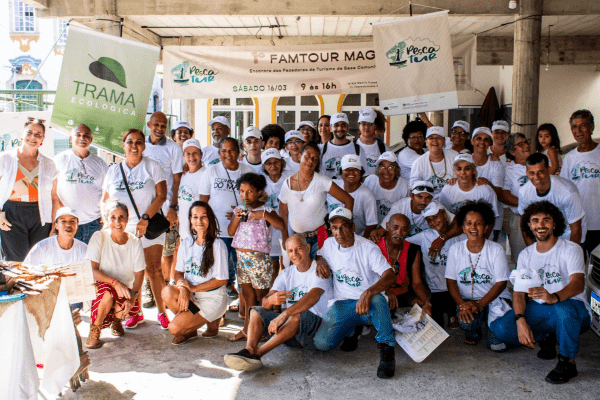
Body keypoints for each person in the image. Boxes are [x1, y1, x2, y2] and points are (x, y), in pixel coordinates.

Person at [490, 201, 591, 384]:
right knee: (501, 329)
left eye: (546, 220)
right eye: (535, 220)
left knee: (563, 310)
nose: (541, 225)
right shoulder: (526, 254)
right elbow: (518, 293)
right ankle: (547, 336)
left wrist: (554, 297)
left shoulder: (571, 248)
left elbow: (578, 284)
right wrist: (520, 320)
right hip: (542, 309)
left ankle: (567, 361)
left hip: (573, 308)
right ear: (529, 225)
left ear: (554, 224)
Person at [224, 234, 332, 371]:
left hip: (314, 332)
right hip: (290, 332)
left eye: (299, 249)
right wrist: (270, 300)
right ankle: (249, 350)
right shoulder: (286, 273)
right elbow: (264, 303)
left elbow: (312, 298)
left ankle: (258, 353)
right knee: (255, 311)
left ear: (308, 248)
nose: (295, 254)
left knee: (296, 315)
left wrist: (283, 315)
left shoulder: (319, 269)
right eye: (290, 251)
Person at [313, 208, 396, 379]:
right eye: (334, 228)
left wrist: (368, 292)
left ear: (352, 227)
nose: (339, 232)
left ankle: (387, 350)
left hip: (368, 303)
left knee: (378, 300)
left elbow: (390, 275)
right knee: (322, 343)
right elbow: (318, 253)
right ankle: (352, 329)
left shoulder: (368, 248)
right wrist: (320, 260)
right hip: (343, 303)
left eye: (343, 226)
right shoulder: (329, 244)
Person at [102, 128, 169, 329]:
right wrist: (107, 224)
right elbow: (105, 200)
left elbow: (161, 196)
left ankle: (162, 312)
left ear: (144, 146)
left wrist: (145, 218)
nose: (134, 145)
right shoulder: (114, 170)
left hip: (148, 226)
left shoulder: (152, 166)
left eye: (139, 142)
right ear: (123, 145)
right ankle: (136, 312)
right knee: (132, 272)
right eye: (130, 141)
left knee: (154, 269)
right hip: (122, 228)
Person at [445, 200, 511, 348]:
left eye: (478, 223)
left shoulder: (496, 249)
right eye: (469, 223)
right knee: (467, 322)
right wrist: (462, 305)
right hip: (467, 300)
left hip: (494, 298)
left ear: (486, 227)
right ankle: (474, 331)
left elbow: (501, 284)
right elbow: (450, 282)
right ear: (463, 228)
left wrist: (480, 304)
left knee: (496, 345)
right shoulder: (455, 249)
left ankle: (492, 324)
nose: (473, 227)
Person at [161, 201, 229, 345]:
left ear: (210, 219)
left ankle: (213, 318)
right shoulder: (186, 242)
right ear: (190, 220)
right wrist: (183, 288)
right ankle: (191, 330)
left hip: (212, 298)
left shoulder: (218, 245)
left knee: (174, 328)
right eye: (195, 217)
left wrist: (192, 288)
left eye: (203, 217)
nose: (199, 221)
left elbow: (222, 280)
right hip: (192, 297)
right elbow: (178, 273)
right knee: (167, 292)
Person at [228, 173, 285, 342]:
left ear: (260, 192)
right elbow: (230, 232)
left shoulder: (267, 210)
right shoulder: (239, 210)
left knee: (263, 297)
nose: (245, 195)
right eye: (242, 191)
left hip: (258, 260)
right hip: (241, 258)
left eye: (250, 191)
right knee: (248, 296)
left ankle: (264, 330)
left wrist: (264, 215)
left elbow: (281, 225)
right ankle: (248, 330)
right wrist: (236, 218)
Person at [199, 137, 255, 300]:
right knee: (221, 266)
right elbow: (204, 201)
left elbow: (254, 200)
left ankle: (243, 300)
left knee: (242, 266)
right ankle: (224, 296)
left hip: (242, 230)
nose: (228, 154)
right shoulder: (211, 170)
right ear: (219, 153)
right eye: (223, 151)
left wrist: (239, 213)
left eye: (231, 150)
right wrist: (207, 226)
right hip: (218, 229)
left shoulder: (247, 171)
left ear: (238, 152)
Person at [85, 199, 145, 348]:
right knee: (108, 292)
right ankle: (95, 328)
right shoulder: (99, 237)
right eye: (113, 217)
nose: (117, 222)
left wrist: (133, 297)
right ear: (107, 219)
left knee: (124, 299)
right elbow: (92, 270)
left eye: (121, 217)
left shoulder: (134, 242)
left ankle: (117, 321)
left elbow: (139, 273)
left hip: (125, 291)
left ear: (127, 219)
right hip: (102, 289)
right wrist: (115, 283)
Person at [279, 142, 354, 259]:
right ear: (299, 157)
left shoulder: (322, 181)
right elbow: (283, 210)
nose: (310, 161)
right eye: (307, 156)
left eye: (314, 159)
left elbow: (348, 199)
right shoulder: (288, 183)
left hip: (320, 238)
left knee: (321, 269)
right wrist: (284, 235)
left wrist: (342, 227)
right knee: (302, 270)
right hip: (298, 240)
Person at [0, 118, 60, 262]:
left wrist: (54, 225)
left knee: (38, 261)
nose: (33, 137)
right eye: (29, 132)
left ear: (42, 139)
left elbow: (54, 197)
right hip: (12, 214)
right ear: (21, 134)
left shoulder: (49, 164)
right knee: (16, 261)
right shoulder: (5, 159)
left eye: (38, 134)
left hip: (41, 215)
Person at [143, 112, 184, 306]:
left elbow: (177, 179)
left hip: (166, 209)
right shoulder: (140, 145)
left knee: (167, 251)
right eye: (156, 125)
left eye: (163, 125)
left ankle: (164, 288)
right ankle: (148, 289)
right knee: (145, 251)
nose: (159, 128)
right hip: (143, 208)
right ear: (149, 125)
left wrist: (173, 206)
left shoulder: (173, 148)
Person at [408, 202, 462, 329]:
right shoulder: (425, 236)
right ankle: (447, 313)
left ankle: (452, 314)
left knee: (457, 310)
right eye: (429, 220)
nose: (433, 222)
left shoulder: (458, 236)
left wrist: (443, 238)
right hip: (435, 289)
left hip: (456, 287)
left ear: (444, 214)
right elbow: (404, 242)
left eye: (436, 217)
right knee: (435, 324)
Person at [53, 124, 108, 244]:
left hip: (94, 223)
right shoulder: (60, 160)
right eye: (78, 135)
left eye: (86, 135)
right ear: (71, 138)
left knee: (93, 255)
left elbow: (107, 193)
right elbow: (53, 193)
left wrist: (105, 217)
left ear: (91, 140)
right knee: (69, 255)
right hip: (67, 223)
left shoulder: (100, 163)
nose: (82, 138)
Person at [519, 153, 585, 246]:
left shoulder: (567, 192)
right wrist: (531, 250)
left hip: (569, 236)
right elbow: (525, 225)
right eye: (532, 173)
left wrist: (573, 251)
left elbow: (576, 229)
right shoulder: (524, 192)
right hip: (544, 238)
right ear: (526, 173)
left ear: (548, 169)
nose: (536, 177)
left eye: (540, 172)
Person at [561, 109, 600, 255]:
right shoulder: (569, 158)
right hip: (577, 224)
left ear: (591, 127)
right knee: (578, 263)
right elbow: (564, 192)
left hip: (598, 223)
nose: (578, 131)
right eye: (574, 127)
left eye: (582, 125)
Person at [376, 213, 431, 315]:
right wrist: (385, 290)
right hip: (381, 292)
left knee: (422, 306)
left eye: (404, 229)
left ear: (408, 231)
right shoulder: (375, 247)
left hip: (403, 293)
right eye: (395, 227)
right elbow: (368, 278)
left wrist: (427, 303)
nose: (399, 233)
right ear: (387, 227)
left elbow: (417, 282)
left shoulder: (412, 249)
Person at [438, 154, 500, 235]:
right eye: (459, 169)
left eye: (467, 168)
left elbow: (491, 219)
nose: (463, 172)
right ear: (455, 172)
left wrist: (483, 240)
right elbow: (444, 216)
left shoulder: (486, 190)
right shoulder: (447, 189)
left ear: (474, 170)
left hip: (480, 235)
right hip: (455, 235)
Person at [261, 148, 293, 283]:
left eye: (276, 162)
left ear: (281, 163)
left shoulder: (290, 177)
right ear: (264, 166)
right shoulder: (260, 181)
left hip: (289, 227)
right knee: (273, 268)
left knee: (289, 266)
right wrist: (259, 200)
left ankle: (288, 294)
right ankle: (274, 294)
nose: (273, 166)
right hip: (270, 232)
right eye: (269, 163)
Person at [326, 154, 378, 237]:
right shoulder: (332, 185)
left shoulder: (367, 195)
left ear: (361, 172)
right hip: (332, 236)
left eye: (355, 169)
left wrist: (362, 241)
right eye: (347, 169)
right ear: (341, 172)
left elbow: (371, 224)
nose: (351, 172)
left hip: (356, 238)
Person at [499, 133, 531, 265]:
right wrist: (528, 205)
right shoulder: (508, 170)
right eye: (520, 144)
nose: (526, 146)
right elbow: (504, 195)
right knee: (521, 259)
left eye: (526, 142)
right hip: (519, 219)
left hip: (542, 217)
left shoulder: (538, 163)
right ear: (512, 152)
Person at [372, 180, 439, 241]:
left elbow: (444, 228)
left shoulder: (436, 207)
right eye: (419, 196)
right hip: (401, 243)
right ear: (411, 195)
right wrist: (376, 234)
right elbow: (382, 230)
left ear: (431, 199)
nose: (423, 202)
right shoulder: (399, 207)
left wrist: (442, 238)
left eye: (427, 198)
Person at [470, 127, 505, 241]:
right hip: (469, 220)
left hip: (492, 222)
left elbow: (498, 194)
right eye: (479, 138)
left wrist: (488, 183)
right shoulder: (465, 162)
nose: (482, 142)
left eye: (486, 139)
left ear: (490, 143)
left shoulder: (496, 164)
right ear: (472, 141)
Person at [410, 126, 458, 200]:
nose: (435, 140)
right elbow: (413, 186)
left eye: (438, 137)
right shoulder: (418, 162)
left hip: (454, 198)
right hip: (429, 202)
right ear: (426, 142)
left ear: (444, 141)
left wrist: (457, 179)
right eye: (431, 138)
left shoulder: (454, 156)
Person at [364, 151, 410, 224]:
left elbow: (406, 211)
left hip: (393, 227)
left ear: (396, 169)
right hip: (370, 225)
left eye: (390, 167)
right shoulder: (370, 181)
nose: (386, 171)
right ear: (378, 169)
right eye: (382, 167)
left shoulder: (404, 186)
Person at [320, 112, 367, 179]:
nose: (340, 128)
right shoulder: (322, 149)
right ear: (330, 128)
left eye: (343, 125)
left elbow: (364, 176)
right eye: (336, 125)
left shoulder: (358, 149)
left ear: (347, 127)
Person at [178, 139, 204, 242]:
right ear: (183, 156)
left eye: (195, 153)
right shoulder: (184, 175)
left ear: (201, 155)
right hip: (184, 234)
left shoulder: (206, 174)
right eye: (188, 154)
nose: (191, 157)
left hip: (198, 233)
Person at [356, 107, 388, 176]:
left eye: (370, 124)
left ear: (375, 126)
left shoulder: (383, 147)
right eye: (363, 124)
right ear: (359, 126)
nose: (366, 127)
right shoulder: (353, 146)